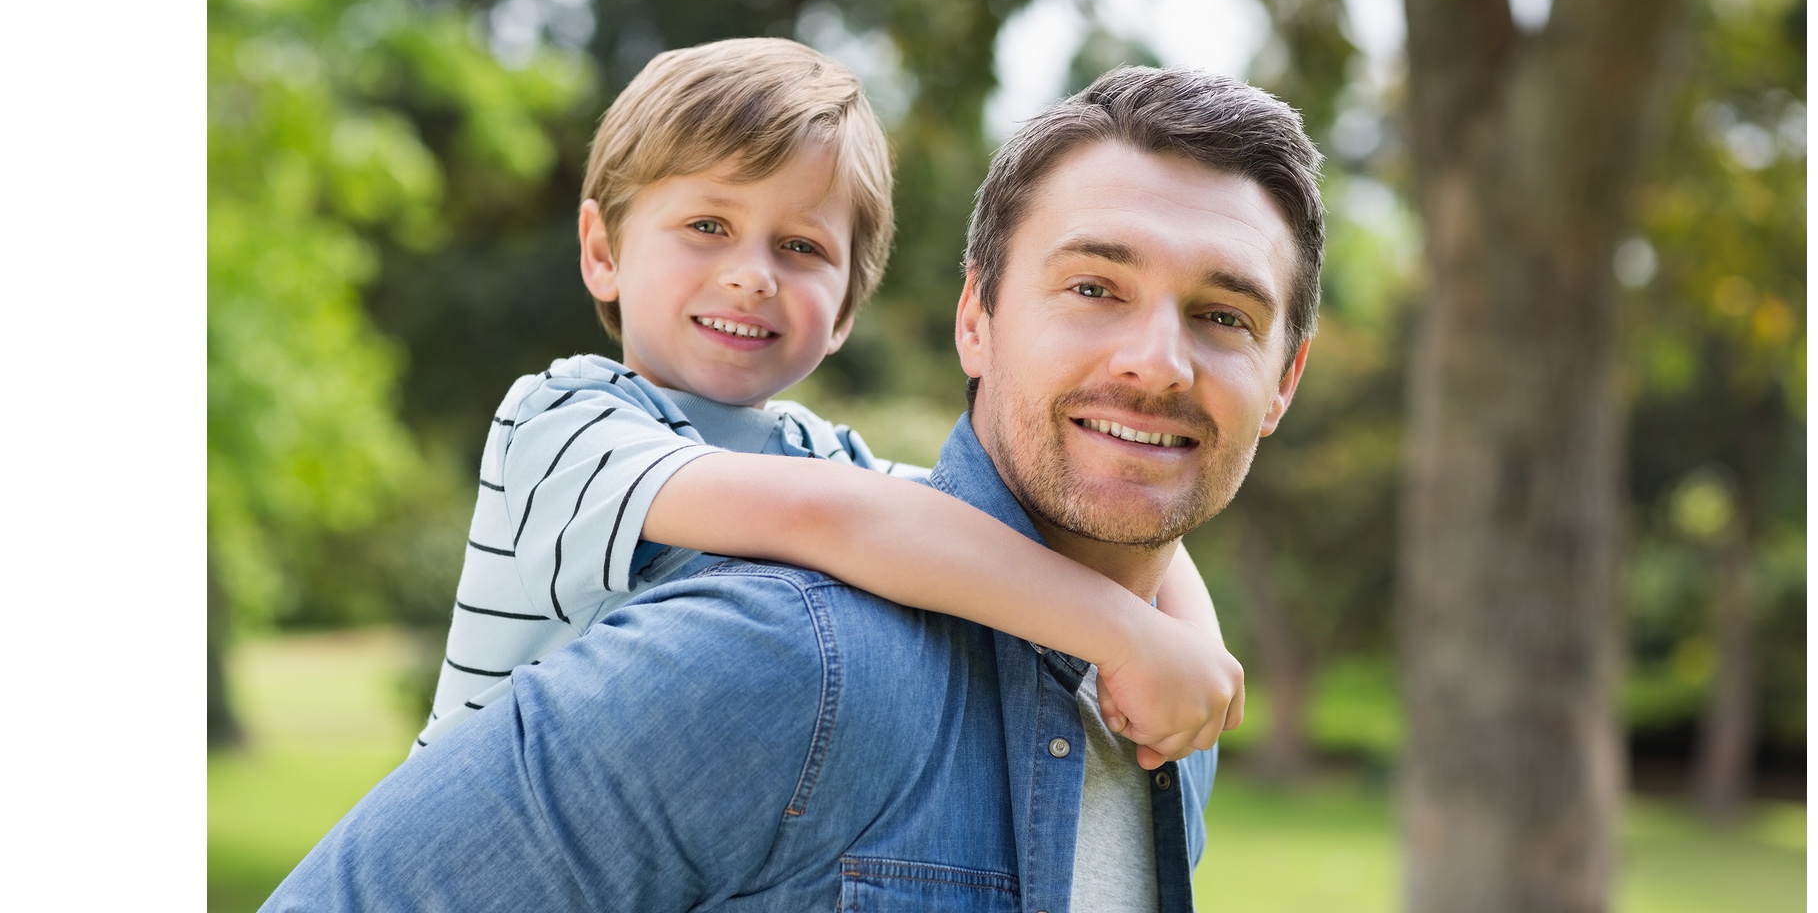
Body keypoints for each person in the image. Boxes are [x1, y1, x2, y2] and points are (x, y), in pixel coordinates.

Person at [262, 64, 1324, 913]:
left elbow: (922, 517)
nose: (1157, 363)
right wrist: (1133, 637)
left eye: (1222, 316)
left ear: (1282, 380)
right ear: (974, 319)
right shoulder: (581, 436)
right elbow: (849, 522)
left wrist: (1179, 648)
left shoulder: (1159, 731)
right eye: (1092, 287)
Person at [415, 37, 1240, 767]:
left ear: (847, 305)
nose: (752, 274)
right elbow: (832, 519)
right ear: (603, 251)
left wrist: (1189, 643)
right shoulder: (565, 424)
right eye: (707, 224)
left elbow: (1028, 528)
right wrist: (1127, 637)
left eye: (802, 246)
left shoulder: (824, 459)